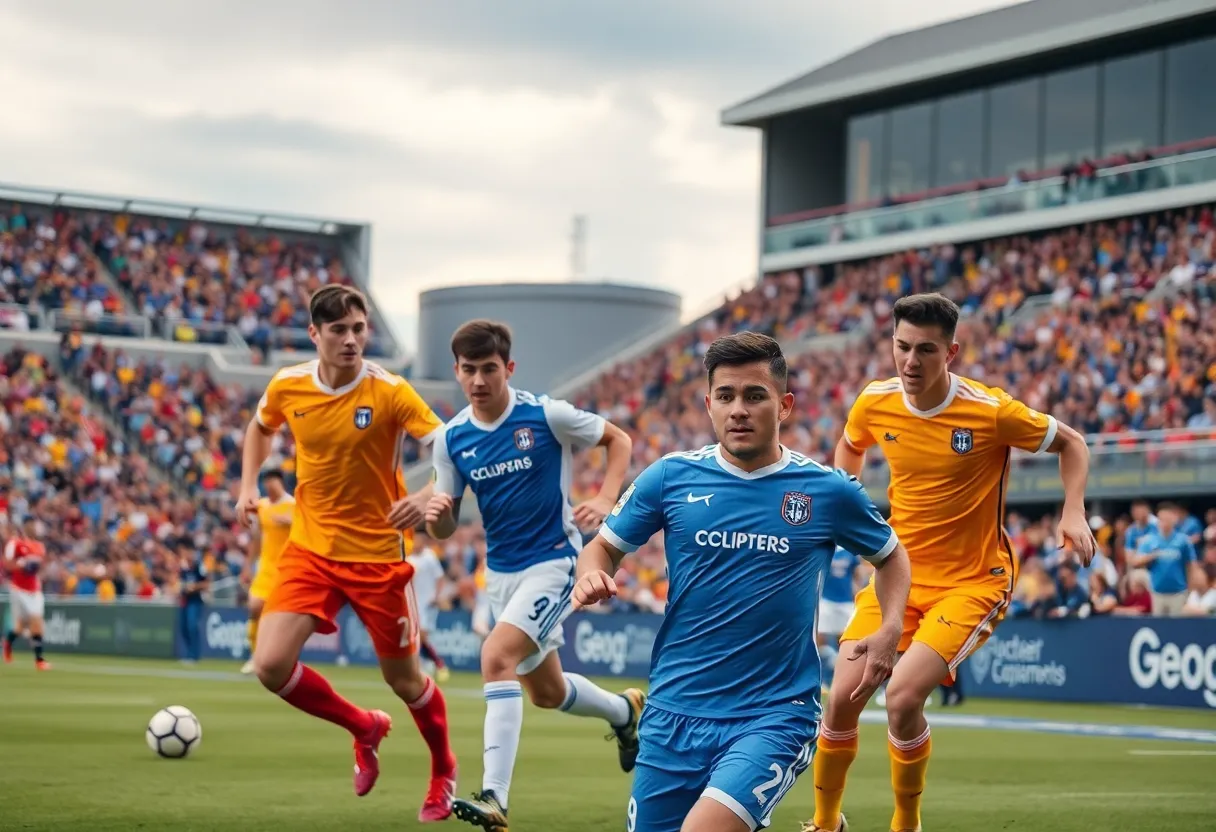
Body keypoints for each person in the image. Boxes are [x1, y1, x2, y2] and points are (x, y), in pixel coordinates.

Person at [573, 332, 912, 832]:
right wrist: (591, 574)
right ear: (708, 405)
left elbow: (891, 556)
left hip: (774, 713)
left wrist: (891, 628)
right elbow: (601, 547)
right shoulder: (669, 477)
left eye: (755, 396)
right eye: (726, 397)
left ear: (785, 404)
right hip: (671, 711)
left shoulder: (828, 490)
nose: (739, 409)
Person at [804, 293, 1097, 832]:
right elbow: (848, 449)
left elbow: (1073, 444)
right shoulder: (875, 401)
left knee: (901, 697)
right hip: (899, 580)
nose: (910, 362)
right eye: (901, 347)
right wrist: (849, 508)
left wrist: (1073, 512)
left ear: (951, 352)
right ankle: (826, 823)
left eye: (925, 351)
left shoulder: (991, 412)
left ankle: (906, 823)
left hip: (972, 583)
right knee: (842, 698)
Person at [236, 284, 457, 822]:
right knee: (269, 665)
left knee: (404, 681)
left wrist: (427, 494)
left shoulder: (390, 391)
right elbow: (259, 428)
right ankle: (364, 725)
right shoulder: (289, 384)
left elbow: (451, 445)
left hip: (379, 557)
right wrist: (247, 485)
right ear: (315, 335)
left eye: (359, 329)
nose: (352, 339)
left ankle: (443, 770)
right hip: (310, 550)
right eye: (339, 330)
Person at [425, 319, 644, 830]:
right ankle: (625, 712)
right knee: (545, 693)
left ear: (509, 368)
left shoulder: (545, 415)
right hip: (501, 574)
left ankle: (494, 798)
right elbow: (446, 524)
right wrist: (437, 516)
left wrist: (607, 497)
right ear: (456, 372)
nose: (479, 380)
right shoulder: (452, 438)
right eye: (469, 370)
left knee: (494, 656)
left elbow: (619, 440)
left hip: (554, 563)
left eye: (489, 369)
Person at [241, 468, 294, 675]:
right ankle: (255, 657)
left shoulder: (294, 506)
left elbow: (309, 531)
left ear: (280, 483)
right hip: (266, 567)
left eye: (271, 482)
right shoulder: (262, 507)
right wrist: (247, 566)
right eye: (265, 483)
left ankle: (281, 659)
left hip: (288, 569)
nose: (268, 487)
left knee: (280, 618)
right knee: (254, 607)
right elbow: (256, 538)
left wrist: (293, 523)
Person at [3, 518, 51, 670]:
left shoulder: (40, 547)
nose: (34, 527)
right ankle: (8, 644)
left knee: (36, 621)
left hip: (35, 589)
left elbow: (41, 567)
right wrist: (22, 565)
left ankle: (39, 660)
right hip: (19, 589)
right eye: (31, 524)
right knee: (20, 626)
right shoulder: (15, 543)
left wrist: (36, 569)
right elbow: (6, 563)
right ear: (25, 526)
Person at [819, 546, 864, 687]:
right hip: (826, 599)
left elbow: (857, 574)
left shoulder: (850, 552)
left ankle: (842, 680)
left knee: (845, 642)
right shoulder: (825, 549)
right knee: (819, 640)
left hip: (845, 602)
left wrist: (857, 590)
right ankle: (829, 669)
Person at [408, 533, 451, 682]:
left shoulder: (429, 556)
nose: (416, 543)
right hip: (411, 602)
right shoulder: (408, 557)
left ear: (424, 541)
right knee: (415, 637)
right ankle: (428, 665)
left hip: (427, 602)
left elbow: (440, 577)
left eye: (419, 540)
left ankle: (437, 664)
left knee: (421, 635)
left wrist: (437, 596)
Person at [178, 541, 209, 664]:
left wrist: (194, 587)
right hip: (184, 600)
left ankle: (194, 656)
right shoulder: (183, 567)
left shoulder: (199, 566)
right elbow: (179, 582)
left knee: (192, 626)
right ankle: (188, 654)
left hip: (195, 600)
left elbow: (207, 584)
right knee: (184, 627)